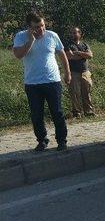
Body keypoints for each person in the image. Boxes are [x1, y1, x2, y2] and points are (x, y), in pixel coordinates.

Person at [12, 13, 71, 151]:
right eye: (37, 27)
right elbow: (18, 55)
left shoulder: (52, 35)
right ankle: (42, 140)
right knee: (36, 114)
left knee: (57, 112)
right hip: (32, 83)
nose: (41, 30)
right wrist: (31, 40)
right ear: (29, 27)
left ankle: (62, 140)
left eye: (43, 26)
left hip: (52, 81)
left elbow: (62, 55)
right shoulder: (21, 36)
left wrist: (67, 73)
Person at [65, 27, 94, 117]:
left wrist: (77, 53)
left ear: (79, 34)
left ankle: (89, 112)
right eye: (72, 33)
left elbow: (90, 55)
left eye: (75, 33)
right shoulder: (68, 45)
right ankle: (77, 113)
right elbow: (70, 56)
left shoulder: (85, 44)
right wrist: (83, 55)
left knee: (87, 92)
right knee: (75, 93)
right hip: (73, 72)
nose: (73, 34)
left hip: (85, 72)